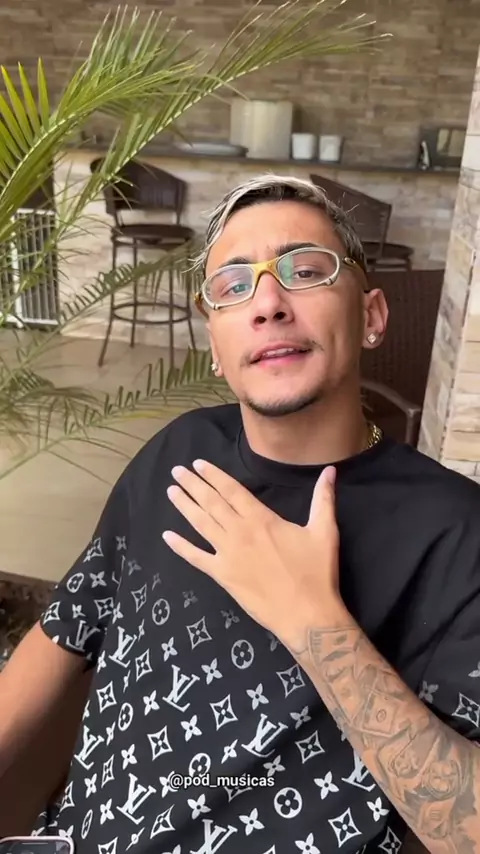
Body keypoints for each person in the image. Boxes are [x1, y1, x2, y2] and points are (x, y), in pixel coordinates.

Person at [1, 173, 480, 854]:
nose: (268, 304)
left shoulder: (454, 530)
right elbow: (64, 631)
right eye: (233, 286)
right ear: (216, 348)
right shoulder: (178, 455)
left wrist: (314, 623)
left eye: (305, 271)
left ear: (372, 315)